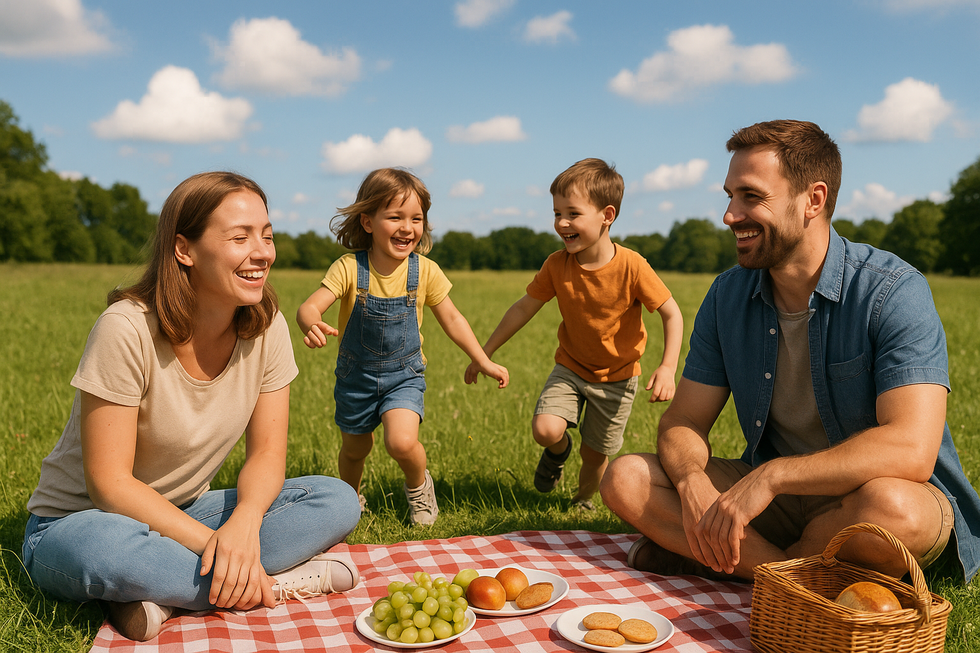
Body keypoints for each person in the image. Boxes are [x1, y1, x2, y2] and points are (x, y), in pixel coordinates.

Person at [600, 120, 980, 584]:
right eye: (729, 196)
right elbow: (683, 421)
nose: (729, 215)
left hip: (868, 498)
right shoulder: (727, 296)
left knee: (894, 511)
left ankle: (727, 559)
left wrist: (773, 476)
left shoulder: (892, 290)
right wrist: (691, 482)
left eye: (751, 197)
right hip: (773, 505)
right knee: (627, 479)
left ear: (813, 201)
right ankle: (787, 579)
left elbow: (911, 448)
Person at [22, 172, 363, 642]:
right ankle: (274, 585)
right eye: (240, 237)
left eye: (267, 236)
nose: (262, 252)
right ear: (184, 250)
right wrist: (218, 547)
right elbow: (110, 485)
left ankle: (160, 594)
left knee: (335, 498)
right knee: (104, 553)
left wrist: (242, 524)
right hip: (79, 523)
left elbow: (267, 455)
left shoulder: (268, 329)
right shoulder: (126, 329)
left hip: (184, 509)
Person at [466, 158, 684, 511]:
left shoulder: (632, 266)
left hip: (618, 377)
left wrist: (668, 367)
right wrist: (484, 352)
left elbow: (672, 313)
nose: (561, 223)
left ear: (606, 215)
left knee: (595, 455)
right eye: (556, 214)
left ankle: (583, 501)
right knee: (546, 429)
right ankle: (558, 452)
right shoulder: (557, 265)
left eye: (572, 214)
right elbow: (523, 308)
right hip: (570, 367)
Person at [296, 168, 508, 526]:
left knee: (401, 442)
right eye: (395, 217)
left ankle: (419, 489)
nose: (407, 227)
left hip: (404, 377)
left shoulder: (424, 271)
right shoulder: (350, 268)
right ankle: (348, 503)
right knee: (354, 450)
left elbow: (453, 319)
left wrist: (482, 359)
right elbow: (309, 306)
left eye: (416, 218)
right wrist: (311, 321)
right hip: (356, 379)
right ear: (367, 221)